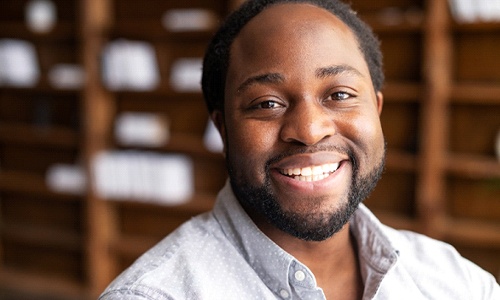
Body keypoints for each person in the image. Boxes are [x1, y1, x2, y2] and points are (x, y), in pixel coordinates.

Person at [99, 0, 500, 299]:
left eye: (340, 94)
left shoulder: (458, 283)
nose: (309, 131)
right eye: (267, 103)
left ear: (376, 110)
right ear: (223, 130)